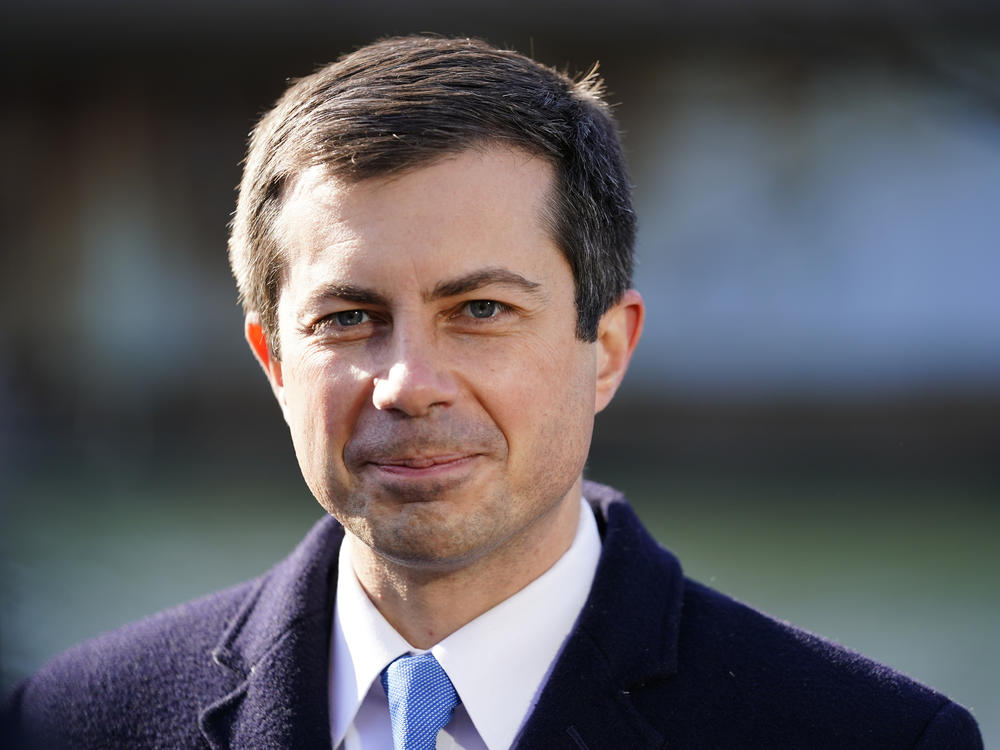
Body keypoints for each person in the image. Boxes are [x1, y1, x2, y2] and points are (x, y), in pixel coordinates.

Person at [2, 35, 983, 750]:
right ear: (272, 361)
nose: (409, 384)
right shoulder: (74, 723)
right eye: (348, 318)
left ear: (606, 347)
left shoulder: (865, 737)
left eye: (477, 310)